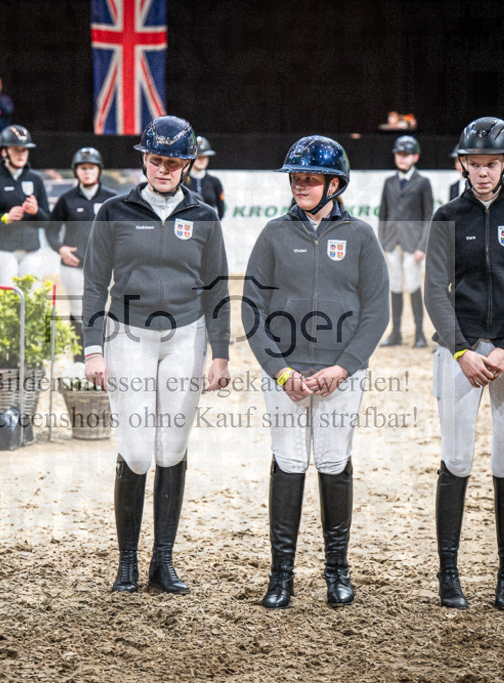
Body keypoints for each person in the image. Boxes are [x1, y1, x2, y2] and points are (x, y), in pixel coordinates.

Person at [82, 115, 231, 595]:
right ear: (144, 159)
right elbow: (93, 283)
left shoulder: (205, 217)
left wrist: (222, 353)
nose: (162, 168)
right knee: (138, 450)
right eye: (155, 159)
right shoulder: (112, 211)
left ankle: (162, 562)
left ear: (186, 164)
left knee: (172, 449)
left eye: (172, 161)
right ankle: (127, 561)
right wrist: (91, 348)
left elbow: (216, 288)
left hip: (186, 337)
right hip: (127, 336)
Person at [243, 135, 389, 609]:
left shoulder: (362, 236)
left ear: (334, 184)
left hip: (339, 375)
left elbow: (376, 313)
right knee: (287, 461)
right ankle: (280, 575)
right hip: (285, 376)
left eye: (309, 178)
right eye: (295, 177)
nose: (299, 185)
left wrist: (344, 367)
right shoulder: (272, 234)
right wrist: (280, 372)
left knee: (331, 461)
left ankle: (337, 571)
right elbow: (252, 310)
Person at [424, 116, 504, 612]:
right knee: (456, 460)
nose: (482, 172)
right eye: (474, 164)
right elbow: (435, 289)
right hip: (459, 349)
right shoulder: (446, 217)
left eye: (490, 163)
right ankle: (449, 576)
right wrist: (460, 350)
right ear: (462, 164)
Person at [46, 147, 117, 361]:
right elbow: (51, 230)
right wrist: (61, 248)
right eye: (83, 168)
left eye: (91, 168)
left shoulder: (111, 199)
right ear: (76, 171)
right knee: (79, 311)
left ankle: (103, 360)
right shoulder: (66, 199)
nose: (87, 172)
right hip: (73, 266)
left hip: (104, 267)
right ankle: (80, 359)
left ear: (99, 170)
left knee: (101, 311)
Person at [378, 134, 434, 348]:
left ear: (415, 157)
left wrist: (423, 245)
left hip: (413, 242)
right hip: (392, 241)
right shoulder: (389, 182)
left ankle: (420, 333)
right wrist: (382, 242)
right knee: (395, 285)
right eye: (399, 154)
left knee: (412, 285)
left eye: (406, 154)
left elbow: (428, 215)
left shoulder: (422, 182)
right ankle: (396, 332)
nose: (401, 158)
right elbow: (383, 213)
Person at [0, 124, 51, 287]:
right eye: (16, 149)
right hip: (2, 251)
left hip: (31, 251)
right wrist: (5, 217)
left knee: (31, 301)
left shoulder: (36, 179)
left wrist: (36, 211)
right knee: (5, 301)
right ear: (4, 151)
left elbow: (48, 221)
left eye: (24, 150)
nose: (21, 154)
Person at [183, 135, 225, 218]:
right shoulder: (183, 180)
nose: (202, 160)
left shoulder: (214, 181)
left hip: (208, 224)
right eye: (199, 157)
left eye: (205, 157)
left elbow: (221, 209)